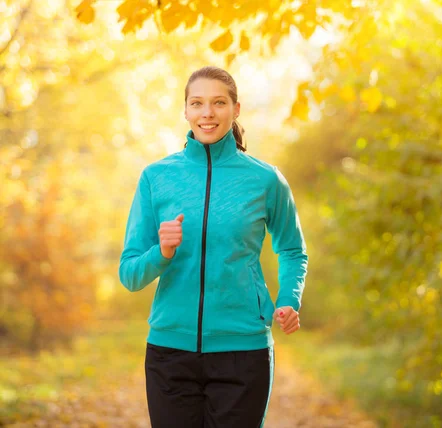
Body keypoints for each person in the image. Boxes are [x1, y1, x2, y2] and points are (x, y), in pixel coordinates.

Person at [118, 66, 308, 428]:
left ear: (236, 109)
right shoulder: (156, 177)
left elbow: (293, 250)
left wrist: (288, 299)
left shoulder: (266, 179)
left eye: (219, 103)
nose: (208, 113)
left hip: (243, 349)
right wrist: (162, 252)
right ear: (186, 111)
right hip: (170, 352)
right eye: (197, 103)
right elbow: (129, 274)